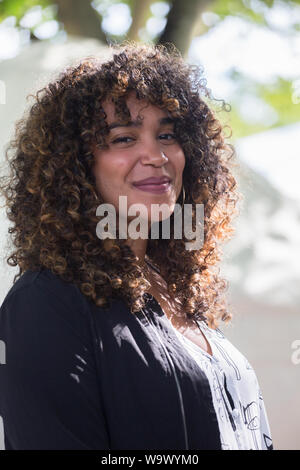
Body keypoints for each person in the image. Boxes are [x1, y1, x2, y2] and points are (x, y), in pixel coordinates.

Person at [0, 42, 273, 450]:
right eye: (124, 138)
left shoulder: (176, 288)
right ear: (75, 165)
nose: (156, 155)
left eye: (167, 135)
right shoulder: (46, 303)